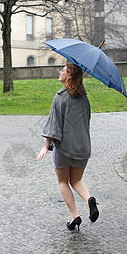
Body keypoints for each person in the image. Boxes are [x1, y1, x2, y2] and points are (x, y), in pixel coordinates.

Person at [37, 63, 99, 230]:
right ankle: (88, 201)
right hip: (83, 147)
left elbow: (53, 125)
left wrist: (46, 145)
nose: (60, 71)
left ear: (69, 76)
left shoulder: (60, 96)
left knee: (63, 181)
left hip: (64, 148)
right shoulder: (84, 98)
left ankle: (75, 216)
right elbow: (87, 120)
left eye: (63, 70)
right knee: (77, 180)